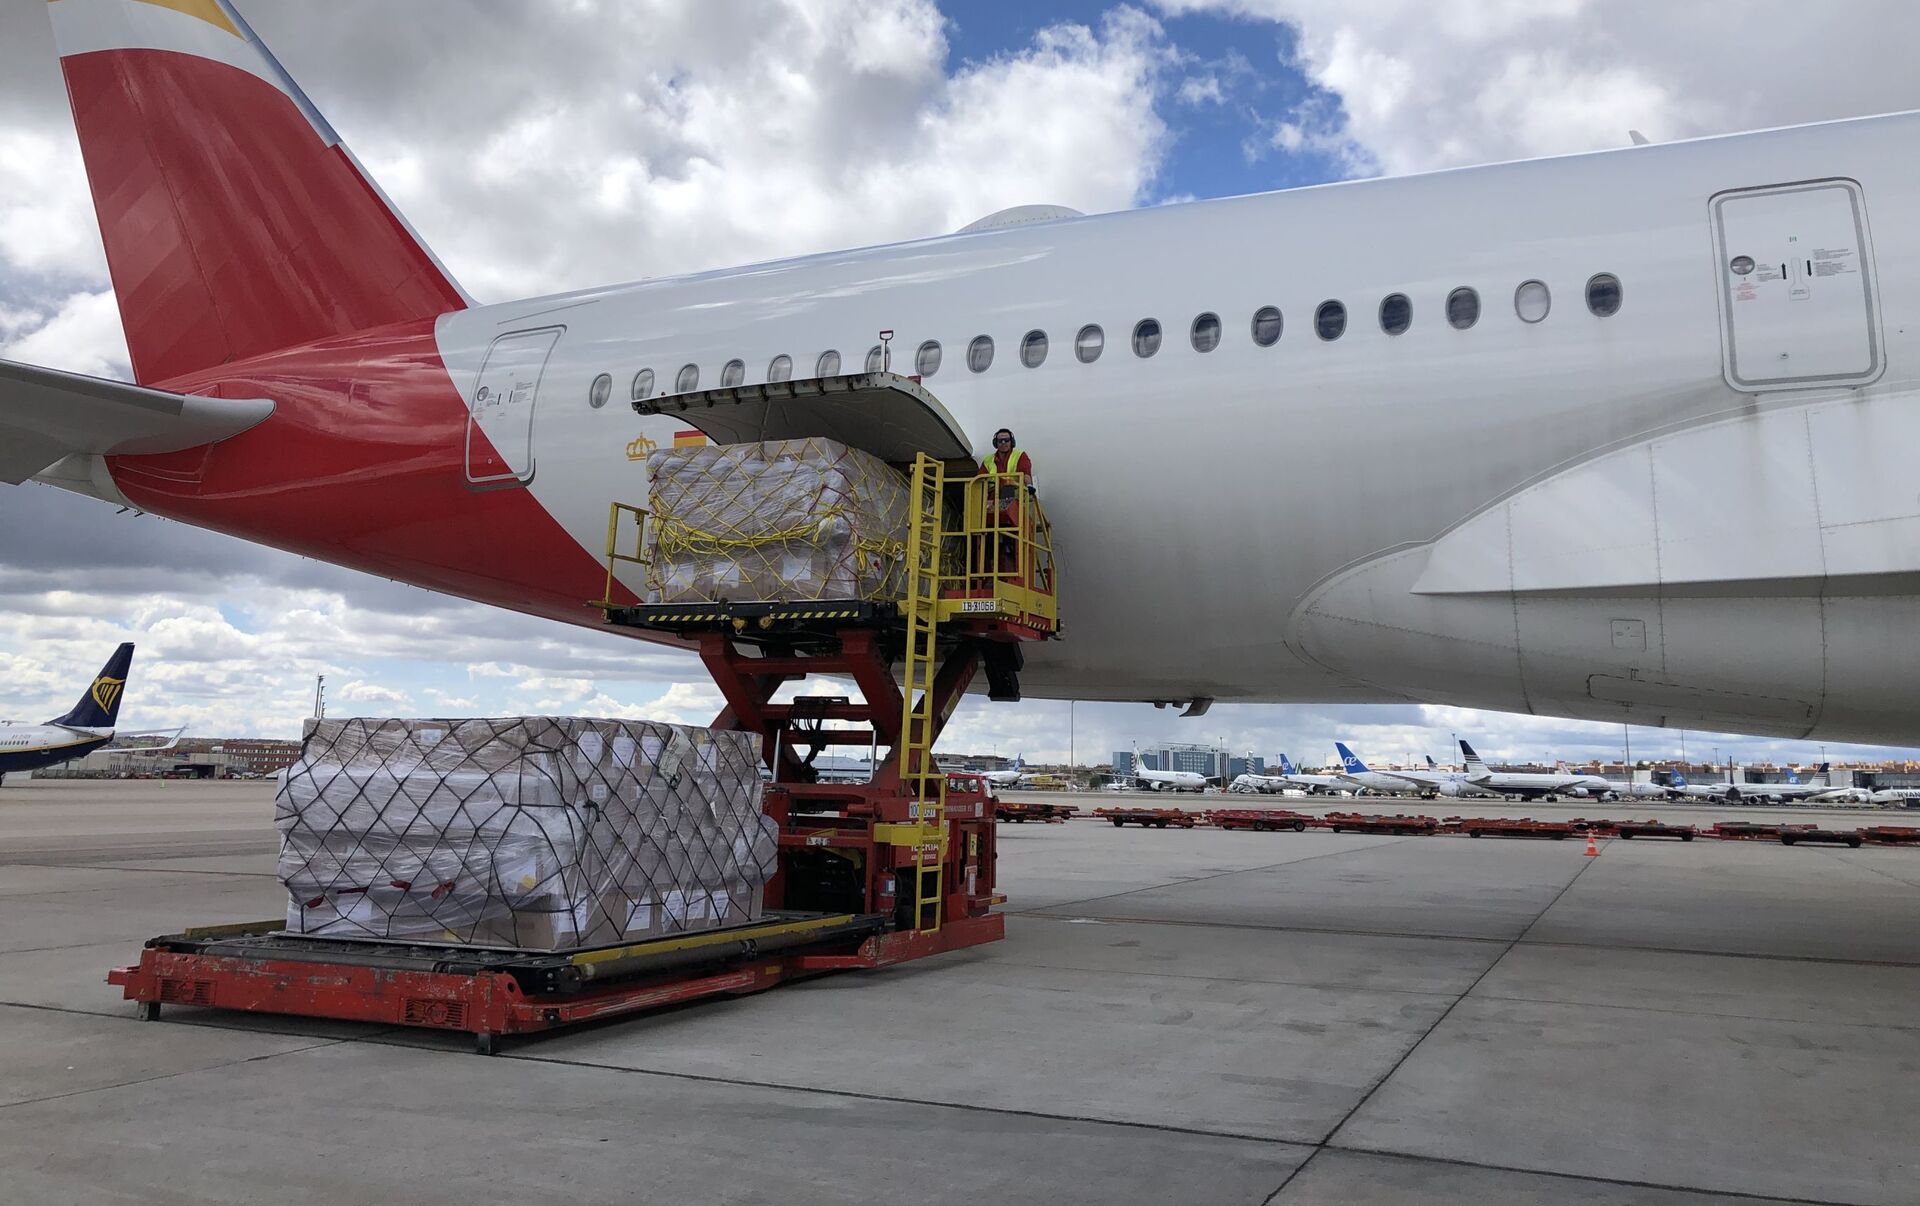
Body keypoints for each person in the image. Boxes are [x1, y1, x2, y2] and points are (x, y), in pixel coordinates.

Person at [977, 429, 1034, 582]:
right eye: (1000, 441)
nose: (1003, 443)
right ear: (995, 443)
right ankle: (986, 570)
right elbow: (979, 479)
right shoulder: (988, 460)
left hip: (1013, 500)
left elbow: (1026, 474)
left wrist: (1029, 486)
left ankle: (1009, 557)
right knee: (985, 536)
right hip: (992, 502)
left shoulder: (1020, 456)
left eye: (1006, 440)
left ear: (1012, 442)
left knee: (1010, 536)